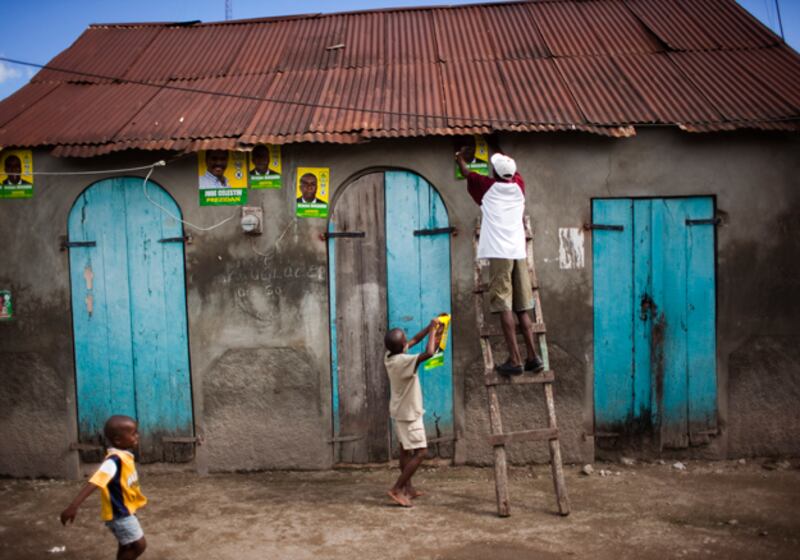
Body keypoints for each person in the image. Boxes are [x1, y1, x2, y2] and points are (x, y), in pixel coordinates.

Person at [456, 149, 545, 376]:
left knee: (503, 303)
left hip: (500, 252)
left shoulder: (486, 187)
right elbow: (510, 172)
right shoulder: (519, 186)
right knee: (522, 307)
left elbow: (466, 172)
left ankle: (515, 360)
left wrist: (459, 157)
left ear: (494, 172)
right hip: (519, 252)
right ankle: (533, 357)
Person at [61, 415, 148, 560]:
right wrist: (73, 506)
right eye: (133, 433)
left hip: (126, 509)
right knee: (139, 545)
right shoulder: (113, 461)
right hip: (120, 513)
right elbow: (95, 481)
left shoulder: (124, 456)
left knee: (126, 545)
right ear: (118, 440)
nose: (137, 436)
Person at [384, 317, 441, 507]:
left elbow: (415, 340)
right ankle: (397, 488)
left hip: (400, 410)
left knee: (405, 449)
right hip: (409, 415)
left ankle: (408, 487)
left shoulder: (390, 356)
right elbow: (429, 352)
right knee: (422, 451)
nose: (408, 340)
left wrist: (428, 327)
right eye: (405, 339)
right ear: (402, 346)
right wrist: (434, 331)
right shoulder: (404, 362)